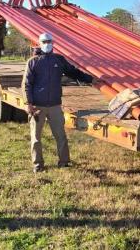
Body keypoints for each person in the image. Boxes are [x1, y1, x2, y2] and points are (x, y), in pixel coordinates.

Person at [23, 32, 94, 173]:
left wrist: (90, 79)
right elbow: (27, 84)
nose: (47, 44)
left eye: (49, 41)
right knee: (36, 137)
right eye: (44, 41)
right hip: (38, 106)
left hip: (55, 105)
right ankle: (38, 164)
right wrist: (28, 103)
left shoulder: (59, 60)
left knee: (60, 135)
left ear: (53, 42)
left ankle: (64, 162)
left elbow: (74, 72)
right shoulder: (33, 62)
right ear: (39, 43)